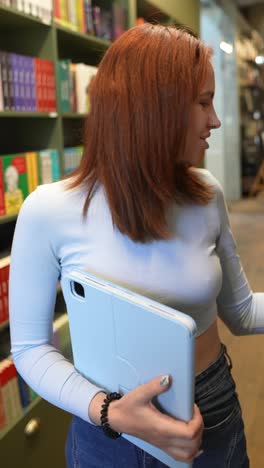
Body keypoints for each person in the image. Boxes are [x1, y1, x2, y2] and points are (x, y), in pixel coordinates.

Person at [9, 23, 264, 468]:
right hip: (105, 426)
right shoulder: (48, 210)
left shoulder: (206, 195)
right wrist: (108, 410)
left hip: (210, 410)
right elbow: (30, 347)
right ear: (155, 108)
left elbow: (240, 313)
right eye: (203, 102)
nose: (216, 120)